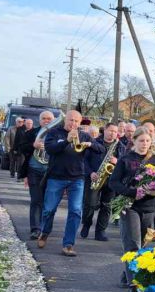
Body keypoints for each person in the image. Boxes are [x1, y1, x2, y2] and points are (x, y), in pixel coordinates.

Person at [109, 128, 155, 292]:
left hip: (149, 208)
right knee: (132, 245)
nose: (144, 144)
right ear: (134, 141)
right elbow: (113, 182)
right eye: (141, 140)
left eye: (147, 141)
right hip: (130, 206)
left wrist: (153, 191)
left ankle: (126, 274)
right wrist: (133, 192)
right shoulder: (126, 159)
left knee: (141, 246)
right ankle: (134, 286)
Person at [38, 110, 101, 257]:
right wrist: (66, 140)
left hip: (77, 179)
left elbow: (101, 149)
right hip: (56, 177)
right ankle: (45, 232)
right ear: (65, 120)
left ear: (80, 123)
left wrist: (90, 144)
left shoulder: (84, 135)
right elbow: (50, 149)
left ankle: (68, 244)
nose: (73, 123)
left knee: (75, 211)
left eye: (76, 121)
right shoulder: (54, 132)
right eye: (71, 120)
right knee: (49, 209)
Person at [80, 122, 120, 241]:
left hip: (111, 179)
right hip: (94, 177)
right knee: (90, 204)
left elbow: (125, 162)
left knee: (107, 206)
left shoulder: (120, 146)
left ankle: (100, 231)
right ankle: (86, 225)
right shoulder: (94, 142)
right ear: (105, 130)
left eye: (115, 131)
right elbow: (84, 160)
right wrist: (90, 172)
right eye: (110, 130)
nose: (112, 133)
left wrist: (117, 161)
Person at [18, 110, 55, 239]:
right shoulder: (31, 133)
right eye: (44, 118)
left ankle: (45, 228)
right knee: (36, 200)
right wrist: (33, 145)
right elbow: (21, 147)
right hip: (34, 170)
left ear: (54, 120)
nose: (46, 121)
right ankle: (35, 229)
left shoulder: (58, 133)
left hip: (52, 172)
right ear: (39, 120)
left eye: (49, 118)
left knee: (49, 202)